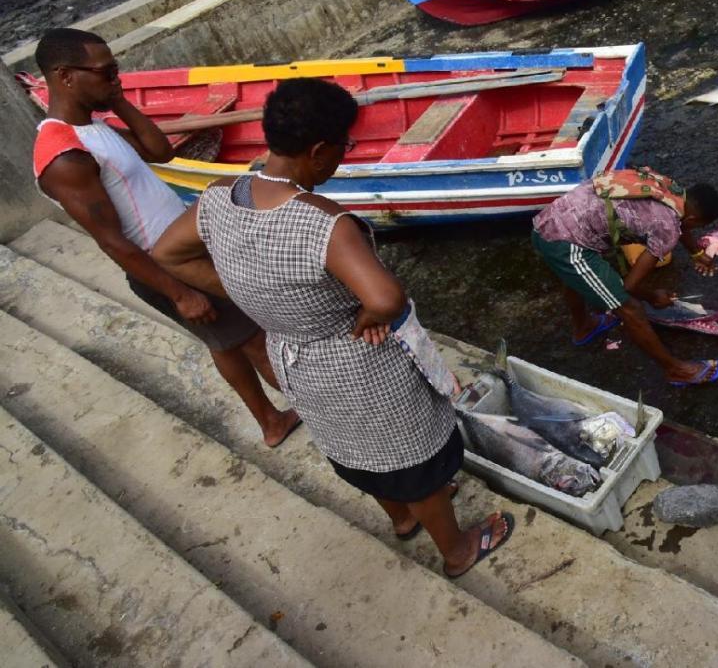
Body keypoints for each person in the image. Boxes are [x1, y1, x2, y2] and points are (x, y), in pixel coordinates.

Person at [152, 78, 511, 576]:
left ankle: (403, 521)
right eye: (344, 146)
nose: (343, 156)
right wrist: (368, 313)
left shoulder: (219, 198)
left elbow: (167, 252)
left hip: (295, 359)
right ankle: (457, 550)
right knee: (415, 464)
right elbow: (386, 298)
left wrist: (251, 292)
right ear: (318, 150)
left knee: (355, 452)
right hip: (358, 364)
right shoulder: (324, 223)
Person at [30, 28, 299, 448]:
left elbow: (160, 151)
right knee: (255, 340)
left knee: (225, 342)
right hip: (167, 265)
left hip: (185, 249)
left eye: (116, 69)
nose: (115, 77)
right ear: (65, 76)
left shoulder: (93, 126)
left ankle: (270, 421)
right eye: (106, 72)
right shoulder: (64, 155)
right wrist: (179, 293)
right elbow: (112, 242)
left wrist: (115, 97)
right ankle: (333, 415)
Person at [532, 168, 718, 386]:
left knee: (576, 276)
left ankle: (584, 327)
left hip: (548, 222)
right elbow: (631, 285)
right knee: (629, 308)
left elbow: (681, 223)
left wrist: (696, 253)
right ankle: (676, 370)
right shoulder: (668, 226)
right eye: (699, 226)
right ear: (693, 218)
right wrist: (653, 296)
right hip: (566, 243)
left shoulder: (668, 187)